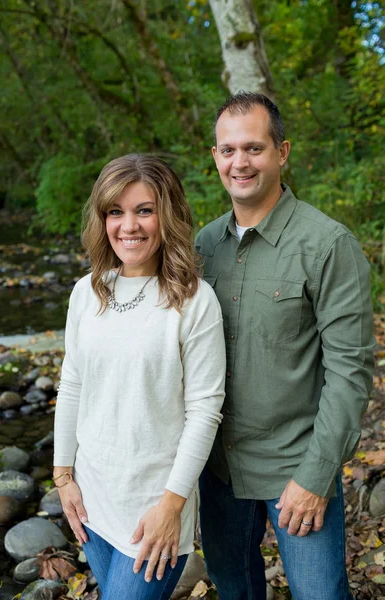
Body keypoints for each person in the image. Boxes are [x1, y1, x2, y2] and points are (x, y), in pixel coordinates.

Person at [195, 92, 375, 600]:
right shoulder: (202, 247)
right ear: (215, 157)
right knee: (235, 591)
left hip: (296, 466)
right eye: (228, 150)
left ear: (282, 152)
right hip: (219, 470)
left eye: (253, 148)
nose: (240, 162)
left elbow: (351, 371)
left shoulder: (327, 244)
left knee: (320, 594)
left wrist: (317, 475)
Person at [53, 154, 226, 600]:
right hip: (91, 498)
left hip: (154, 508)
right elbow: (72, 383)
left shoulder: (195, 301)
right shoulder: (86, 291)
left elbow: (205, 412)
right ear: (102, 219)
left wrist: (173, 506)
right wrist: (63, 476)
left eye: (144, 210)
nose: (129, 225)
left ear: (168, 216)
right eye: (116, 211)